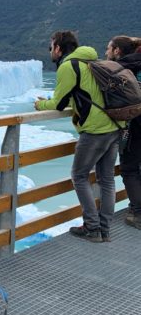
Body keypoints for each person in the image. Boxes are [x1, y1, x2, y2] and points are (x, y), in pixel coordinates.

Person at [34, 30, 120, 242]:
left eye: (51, 46)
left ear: (58, 48)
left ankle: (92, 228)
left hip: (95, 129)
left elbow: (59, 102)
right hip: (113, 125)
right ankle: (104, 229)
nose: (50, 51)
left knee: (80, 176)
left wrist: (40, 104)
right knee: (107, 179)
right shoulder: (92, 61)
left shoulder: (68, 66)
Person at [105, 35, 141, 229]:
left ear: (117, 51)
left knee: (129, 168)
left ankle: (137, 213)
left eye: (108, 49)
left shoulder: (123, 68)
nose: (106, 53)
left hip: (134, 125)